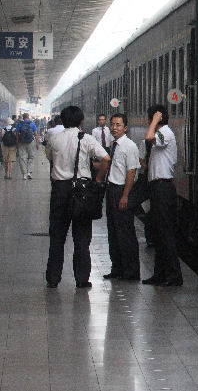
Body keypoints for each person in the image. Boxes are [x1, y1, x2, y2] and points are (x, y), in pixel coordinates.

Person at [44, 105, 110, 288]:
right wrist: (97, 180)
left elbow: (50, 157)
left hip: (60, 190)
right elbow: (105, 159)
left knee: (57, 236)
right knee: (82, 238)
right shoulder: (86, 138)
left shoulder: (54, 139)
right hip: (81, 191)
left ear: (63, 121)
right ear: (81, 122)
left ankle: (53, 278)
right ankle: (81, 279)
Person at [141, 104, 182, 286]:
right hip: (157, 188)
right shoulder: (163, 134)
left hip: (163, 189)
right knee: (158, 233)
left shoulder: (166, 132)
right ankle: (160, 273)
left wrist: (156, 121)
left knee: (165, 234)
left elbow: (148, 137)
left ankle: (174, 275)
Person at [103, 113, 141, 281]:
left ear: (125, 128)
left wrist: (125, 196)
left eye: (118, 125)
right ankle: (117, 268)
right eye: (112, 124)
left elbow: (131, 172)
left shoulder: (129, 146)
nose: (114, 128)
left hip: (122, 191)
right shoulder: (114, 145)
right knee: (113, 232)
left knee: (125, 233)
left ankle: (131, 271)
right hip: (112, 190)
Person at [14, 112, 38, 180]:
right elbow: (35, 134)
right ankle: (29, 173)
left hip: (21, 142)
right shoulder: (32, 123)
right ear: (28, 117)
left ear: (23, 117)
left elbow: (17, 133)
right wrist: (37, 143)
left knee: (22, 157)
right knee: (31, 157)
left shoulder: (20, 124)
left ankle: (24, 174)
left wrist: (17, 141)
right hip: (30, 142)